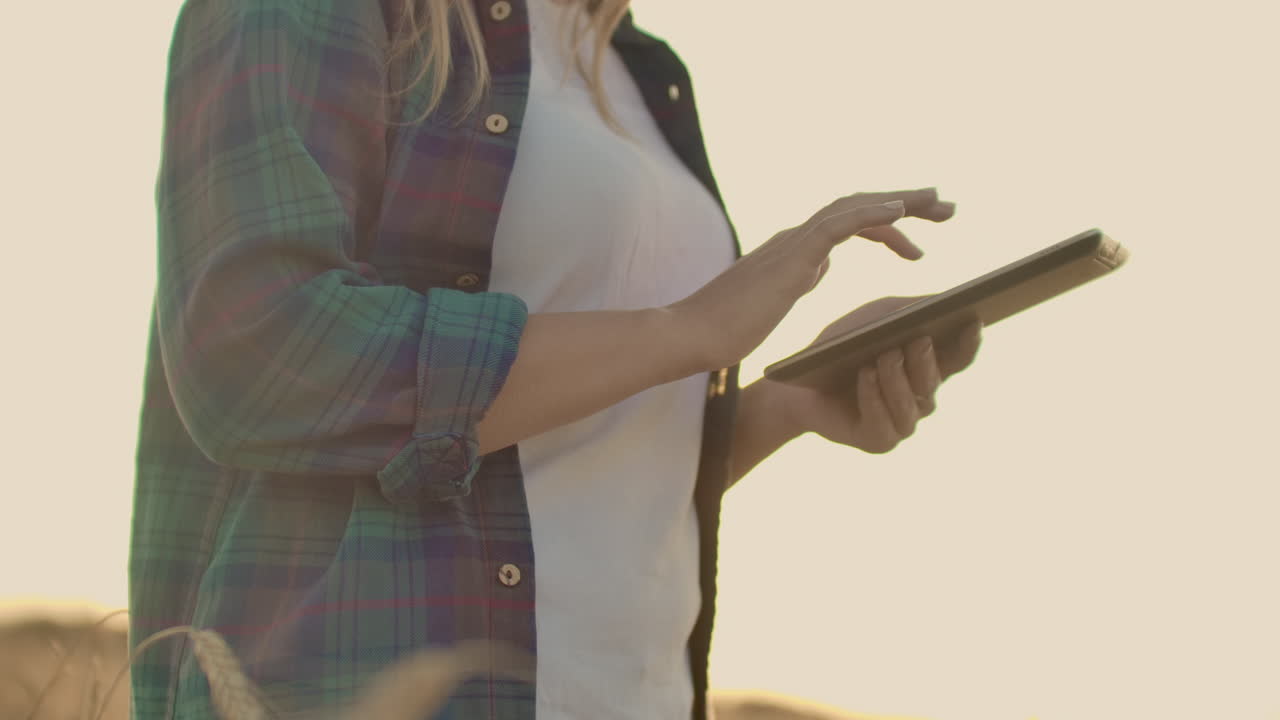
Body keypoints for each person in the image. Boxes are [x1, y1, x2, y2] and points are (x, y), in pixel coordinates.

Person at [128, 0, 983, 718]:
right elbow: (254, 353)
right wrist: (686, 331)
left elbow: (571, 472)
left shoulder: (634, 66)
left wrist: (786, 403)